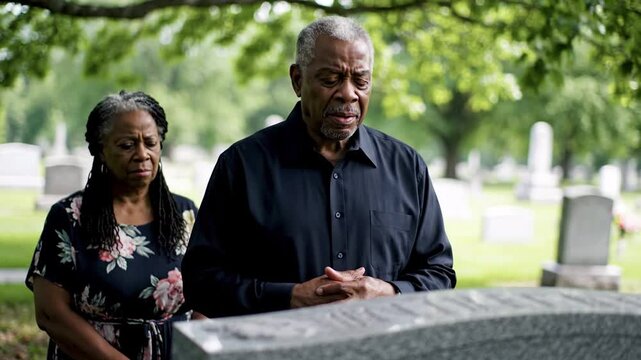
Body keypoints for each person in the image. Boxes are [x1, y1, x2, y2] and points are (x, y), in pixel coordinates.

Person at [182, 16, 456, 318]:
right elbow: (200, 282)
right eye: (331, 79)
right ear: (298, 80)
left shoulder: (407, 168)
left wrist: (388, 292)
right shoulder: (241, 167)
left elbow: (439, 273)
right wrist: (288, 296)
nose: (348, 93)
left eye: (360, 81)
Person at [25, 90, 201, 359]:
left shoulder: (185, 213)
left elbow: (210, 293)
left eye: (150, 142)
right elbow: (51, 313)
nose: (142, 154)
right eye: (127, 145)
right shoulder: (69, 217)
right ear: (101, 151)